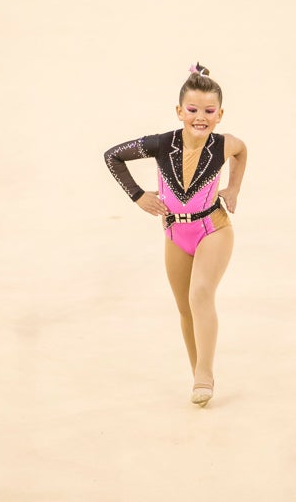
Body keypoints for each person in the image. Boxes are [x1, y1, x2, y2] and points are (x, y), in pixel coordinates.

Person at [103, 65, 248, 406]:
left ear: (220, 114)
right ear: (179, 111)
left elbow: (242, 151)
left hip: (213, 227)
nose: (201, 118)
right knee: (185, 308)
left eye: (209, 111)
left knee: (200, 294)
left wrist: (234, 188)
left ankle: (205, 374)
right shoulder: (160, 144)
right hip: (174, 233)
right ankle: (196, 371)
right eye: (193, 110)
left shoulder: (224, 144)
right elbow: (113, 157)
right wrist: (138, 195)